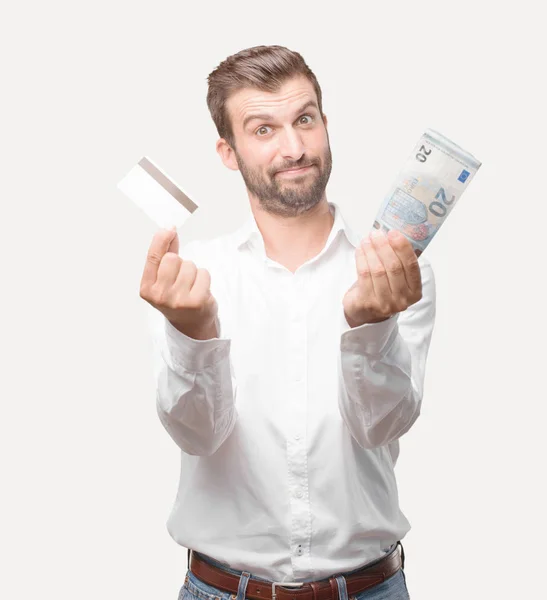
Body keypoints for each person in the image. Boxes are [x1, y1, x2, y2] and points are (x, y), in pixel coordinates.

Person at [140, 45, 436, 600]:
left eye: (304, 120)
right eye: (263, 129)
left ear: (326, 123)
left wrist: (370, 332)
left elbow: (383, 428)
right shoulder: (192, 278)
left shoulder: (394, 270)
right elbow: (197, 436)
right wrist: (194, 333)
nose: (294, 148)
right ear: (229, 152)